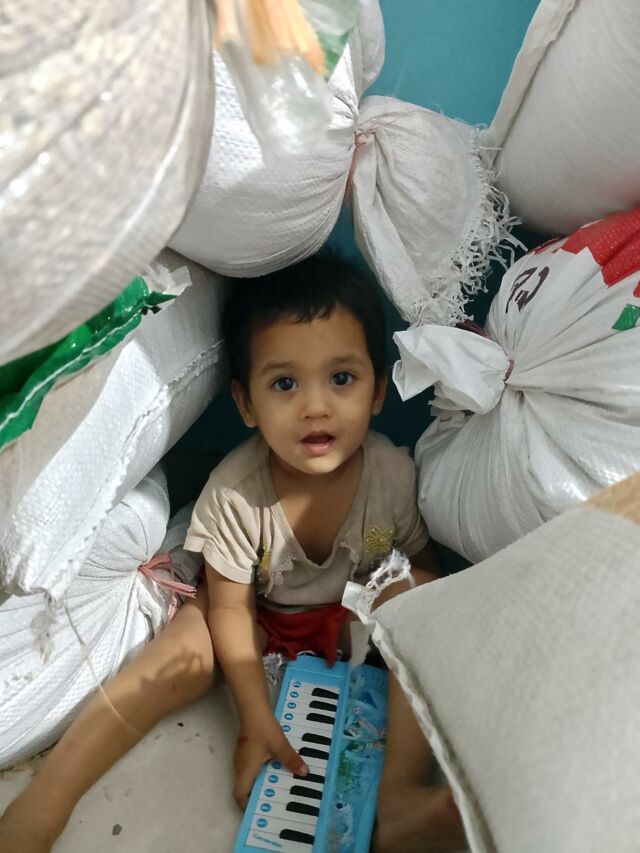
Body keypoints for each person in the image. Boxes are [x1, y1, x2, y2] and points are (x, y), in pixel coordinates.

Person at [0, 255, 465, 853]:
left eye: (341, 378)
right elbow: (229, 607)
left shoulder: (392, 477)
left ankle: (400, 797)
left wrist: (395, 619)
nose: (316, 406)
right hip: (255, 618)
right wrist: (254, 717)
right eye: (285, 384)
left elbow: (424, 567)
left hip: (352, 619)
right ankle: (48, 799)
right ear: (246, 404)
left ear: (377, 391)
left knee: (416, 591)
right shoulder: (234, 494)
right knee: (186, 650)